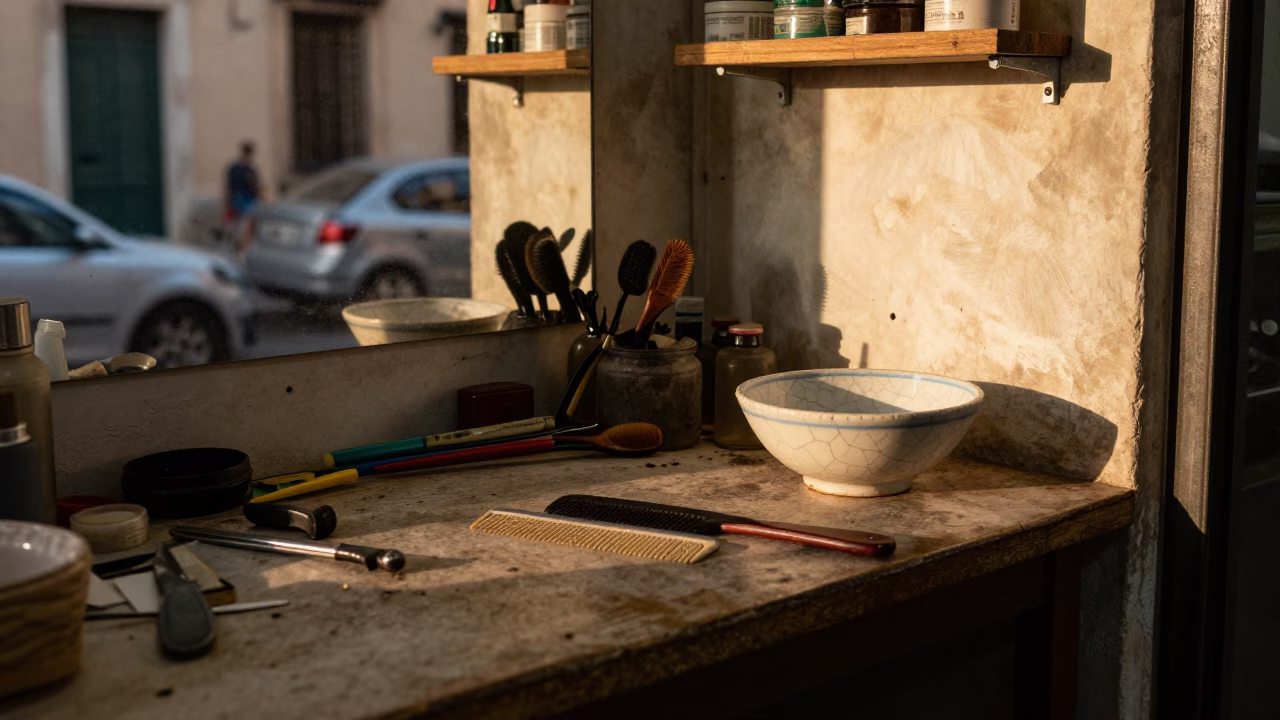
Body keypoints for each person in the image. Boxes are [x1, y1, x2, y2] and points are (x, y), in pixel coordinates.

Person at [224, 140, 260, 255]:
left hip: (237, 199)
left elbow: (228, 187)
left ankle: (239, 248)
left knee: (239, 226)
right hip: (246, 200)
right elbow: (253, 185)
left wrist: (227, 203)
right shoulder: (248, 168)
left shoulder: (233, 167)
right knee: (245, 226)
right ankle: (241, 250)